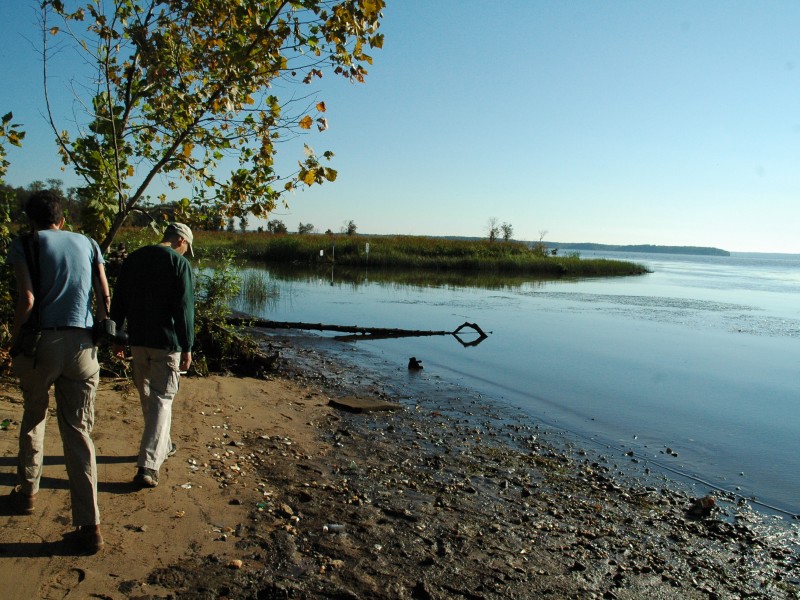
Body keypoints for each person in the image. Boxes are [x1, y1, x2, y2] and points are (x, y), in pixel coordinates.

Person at [6, 190, 110, 555]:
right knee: (79, 432)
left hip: (42, 345)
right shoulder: (88, 242)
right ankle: (89, 525)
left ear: (30, 219)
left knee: (34, 416)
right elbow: (105, 297)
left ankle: (27, 493)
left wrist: (15, 343)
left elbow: (28, 300)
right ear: (61, 218)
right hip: (83, 346)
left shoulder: (24, 244)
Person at [110, 223, 195, 489]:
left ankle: (164, 444)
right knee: (162, 400)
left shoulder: (134, 258)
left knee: (148, 396)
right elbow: (183, 308)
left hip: (138, 341)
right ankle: (148, 465)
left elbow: (119, 299)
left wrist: (116, 334)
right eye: (186, 248)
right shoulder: (178, 264)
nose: (185, 253)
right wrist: (187, 345)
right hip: (166, 343)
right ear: (181, 240)